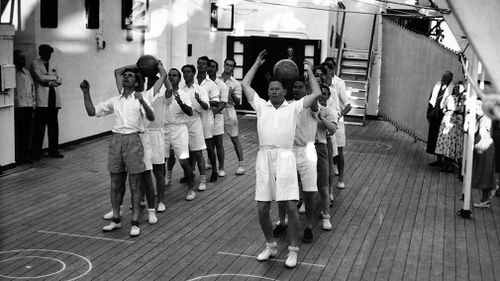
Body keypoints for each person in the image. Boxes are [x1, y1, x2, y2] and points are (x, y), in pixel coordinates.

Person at [241, 50, 321, 268]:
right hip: (263, 157)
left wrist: (310, 71)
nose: (274, 92)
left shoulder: (294, 107)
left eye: (277, 89)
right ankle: (270, 245)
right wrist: (256, 63)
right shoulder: (260, 105)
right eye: (271, 89)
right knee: (262, 208)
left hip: (286, 157)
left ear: (285, 91)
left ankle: (293, 250)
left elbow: (316, 93)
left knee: (291, 206)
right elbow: (245, 85)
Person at [80, 66, 155, 237]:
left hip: (134, 139)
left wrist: (142, 101)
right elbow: (92, 112)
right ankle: (116, 218)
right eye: (125, 76)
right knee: (115, 182)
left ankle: (135, 222)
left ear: (136, 82)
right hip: (116, 140)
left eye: (130, 76)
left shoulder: (141, 98)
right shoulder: (115, 100)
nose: (126, 77)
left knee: (135, 184)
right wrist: (86, 91)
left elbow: (150, 117)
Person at [164, 68, 196, 200]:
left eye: (174, 75)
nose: (172, 77)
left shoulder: (184, 93)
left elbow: (190, 112)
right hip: (165, 129)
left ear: (179, 78)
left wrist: (180, 102)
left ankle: (191, 189)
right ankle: (165, 181)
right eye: (169, 75)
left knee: (183, 161)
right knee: (161, 161)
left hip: (179, 129)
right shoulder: (162, 93)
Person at [323, 59, 351, 191]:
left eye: (328, 72)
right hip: (322, 123)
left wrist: (338, 115)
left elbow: (348, 105)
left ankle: (341, 179)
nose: (325, 75)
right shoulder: (321, 84)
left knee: (339, 152)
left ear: (332, 71)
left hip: (337, 124)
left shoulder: (339, 83)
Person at [31, 44, 63, 160]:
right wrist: (52, 79)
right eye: (46, 54)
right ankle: (36, 153)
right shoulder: (35, 63)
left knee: (53, 127)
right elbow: (40, 78)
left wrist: (49, 80)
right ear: (41, 54)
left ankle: (54, 151)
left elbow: (60, 79)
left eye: (49, 54)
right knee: (39, 128)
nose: (48, 56)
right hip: (42, 100)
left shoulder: (53, 64)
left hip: (53, 99)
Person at [182, 64, 210, 195]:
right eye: (184, 72)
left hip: (195, 120)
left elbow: (206, 107)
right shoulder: (181, 90)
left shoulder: (200, 89)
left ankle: (203, 179)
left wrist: (200, 100)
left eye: (188, 72)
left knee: (198, 152)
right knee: (184, 152)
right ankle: (188, 175)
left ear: (193, 74)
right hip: (182, 122)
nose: (186, 74)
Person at [196, 56, 220, 182]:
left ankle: (214, 170)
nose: (201, 66)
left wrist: (204, 101)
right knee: (193, 146)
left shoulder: (211, 84)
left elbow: (217, 103)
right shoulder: (191, 82)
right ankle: (191, 172)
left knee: (209, 146)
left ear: (207, 67)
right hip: (193, 118)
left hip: (206, 118)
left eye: (204, 64)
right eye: (199, 63)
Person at [219, 58, 246, 175]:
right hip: (217, 110)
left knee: (234, 138)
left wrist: (232, 94)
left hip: (229, 110)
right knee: (215, 138)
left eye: (231, 65)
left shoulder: (235, 83)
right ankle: (211, 162)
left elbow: (238, 101)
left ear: (233, 68)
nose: (228, 67)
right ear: (224, 65)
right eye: (226, 64)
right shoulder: (216, 79)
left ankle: (241, 164)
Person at [435, 82, 466, 173]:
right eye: (455, 87)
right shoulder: (450, 97)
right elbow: (443, 107)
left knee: (453, 144)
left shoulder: (463, 99)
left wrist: (455, 109)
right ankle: (446, 164)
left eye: (458, 87)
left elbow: (461, 109)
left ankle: (453, 166)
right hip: (448, 121)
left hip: (456, 124)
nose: (456, 89)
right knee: (446, 142)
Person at [472, 99, 496, 208]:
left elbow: (482, 135)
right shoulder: (482, 118)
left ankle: (492, 189)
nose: (475, 109)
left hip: (485, 149)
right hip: (486, 148)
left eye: (477, 107)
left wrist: (474, 146)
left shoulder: (484, 119)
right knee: (485, 174)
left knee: (484, 174)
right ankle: (485, 200)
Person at [427, 71, 453, 166]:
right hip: (434, 116)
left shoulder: (451, 89)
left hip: (442, 117)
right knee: (434, 139)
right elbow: (431, 99)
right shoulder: (437, 86)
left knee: (442, 139)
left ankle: (445, 162)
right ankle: (438, 159)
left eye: (446, 78)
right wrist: (429, 112)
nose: (444, 79)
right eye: (443, 77)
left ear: (450, 80)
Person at [208, 59, 229, 177]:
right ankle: (210, 164)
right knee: (207, 143)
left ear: (216, 69)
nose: (210, 69)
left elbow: (223, 102)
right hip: (204, 117)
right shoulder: (202, 83)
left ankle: (221, 167)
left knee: (218, 144)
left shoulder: (222, 85)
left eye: (213, 67)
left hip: (217, 117)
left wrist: (214, 112)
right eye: (209, 67)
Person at [14, 50, 36, 164]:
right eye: (21, 58)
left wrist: (33, 105)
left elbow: (32, 88)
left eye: (24, 58)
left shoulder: (27, 72)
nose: (24, 60)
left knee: (27, 132)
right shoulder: (12, 72)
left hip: (28, 106)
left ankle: (25, 155)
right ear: (15, 58)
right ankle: (17, 156)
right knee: (19, 133)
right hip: (18, 107)